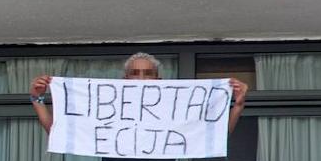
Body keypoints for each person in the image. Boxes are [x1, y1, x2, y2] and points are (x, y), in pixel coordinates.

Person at [28, 52, 248, 135]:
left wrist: (237, 106)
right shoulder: (106, 108)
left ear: (158, 80)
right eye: (135, 73)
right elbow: (61, 133)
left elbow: (212, 136)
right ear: (125, 80)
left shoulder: (172, 109)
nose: (141, 79)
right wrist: (38, 99)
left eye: (147, 74)